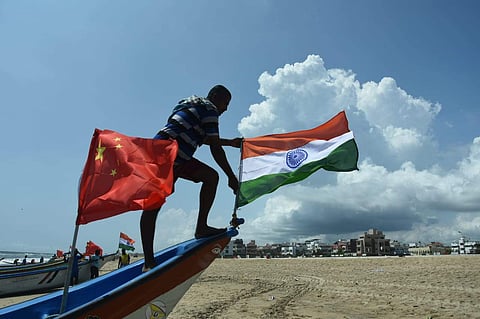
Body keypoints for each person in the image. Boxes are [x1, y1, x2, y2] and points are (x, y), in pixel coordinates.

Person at [140, 85, 241, 271]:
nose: (226, 108)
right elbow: (214, 148)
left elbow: (202, 138)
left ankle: (201, 228)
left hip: (173, 155)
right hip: (164, 156)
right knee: (153, 204)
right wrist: (231, 176)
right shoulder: (210, 109)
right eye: (225, 103)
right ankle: (148, 262)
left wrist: (229, 143)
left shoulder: (189, 103)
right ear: (215, 97)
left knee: (210, 177)